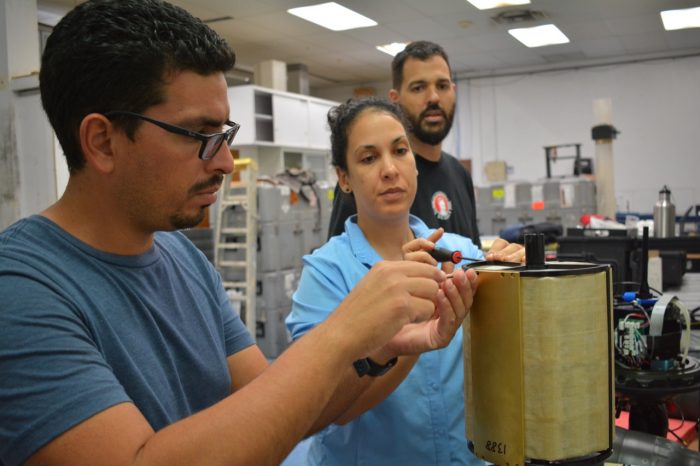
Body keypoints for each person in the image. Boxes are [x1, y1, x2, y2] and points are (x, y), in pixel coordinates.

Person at [0, 2, 477, 465]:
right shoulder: (22, 289)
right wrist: (342, 334)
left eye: (225, 135)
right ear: (103, 142)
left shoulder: (183, 259)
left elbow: (284, 414)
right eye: (200, 136)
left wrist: (383, 350)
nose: (226, 161)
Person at [286, 97, 525, 466]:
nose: (389, 169)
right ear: (344, 178)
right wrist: (405, 332)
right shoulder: (326, 274)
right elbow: (324, 409)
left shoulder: (461, 254)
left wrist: (522, 281)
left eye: (400, 151)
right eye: (368, 158)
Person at [327, 40, 481, 247]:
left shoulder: (460, 174)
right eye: (418, 88)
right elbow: (344, 267)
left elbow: (474, 261)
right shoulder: (370, 181)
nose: (433, 97)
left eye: (442, 86)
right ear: (395, 99)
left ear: (453, 91)